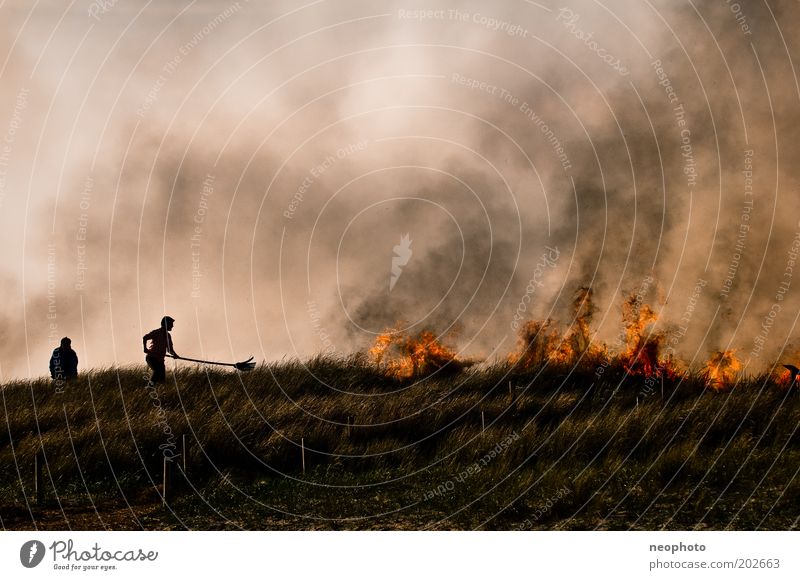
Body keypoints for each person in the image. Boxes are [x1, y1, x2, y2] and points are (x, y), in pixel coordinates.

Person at [143, 316, 179, 383]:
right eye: (171, 324)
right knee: (157, 371)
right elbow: (145, 337)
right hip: (152, 357)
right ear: (166, 324)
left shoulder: (168, 336)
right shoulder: (157, 332)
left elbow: (169, 349)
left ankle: (158, 391)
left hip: (160, 360)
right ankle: (150, 387)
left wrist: (175, 355)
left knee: (162, 380)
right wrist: (145, 348)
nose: (172, 326)